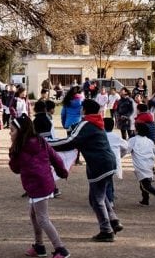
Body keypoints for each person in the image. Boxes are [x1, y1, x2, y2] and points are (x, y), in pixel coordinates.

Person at [50, 99, 122, 241]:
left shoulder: (86, 124)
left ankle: (106, 231)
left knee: (96, 199)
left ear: (84, 109)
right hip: (108, 163)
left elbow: (70, 141)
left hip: (99, 165)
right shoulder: (97, 122)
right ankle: (113, 220)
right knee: (101, 195)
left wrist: (48, 144)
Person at [8, 114, 70, 258]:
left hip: (38, 186)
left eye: (11, 130)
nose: (10, 133)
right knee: (34, 214)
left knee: (42, 218)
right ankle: (39, 246)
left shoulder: (19, 148)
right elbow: (55, 157)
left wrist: (12, 153)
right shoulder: (41, 141)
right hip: (44, 183)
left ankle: (61, 249)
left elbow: (15, 169)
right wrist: (62, 171)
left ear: (20, 131)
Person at [122, 123, 155, 207]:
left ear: (137, 131)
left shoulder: (133, 140)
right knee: (143, 183)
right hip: (150, 165)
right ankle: (145, 200)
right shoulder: (149, 141)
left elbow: (126, 151)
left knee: (146, 186)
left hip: (140, 166)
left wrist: (118, 156)